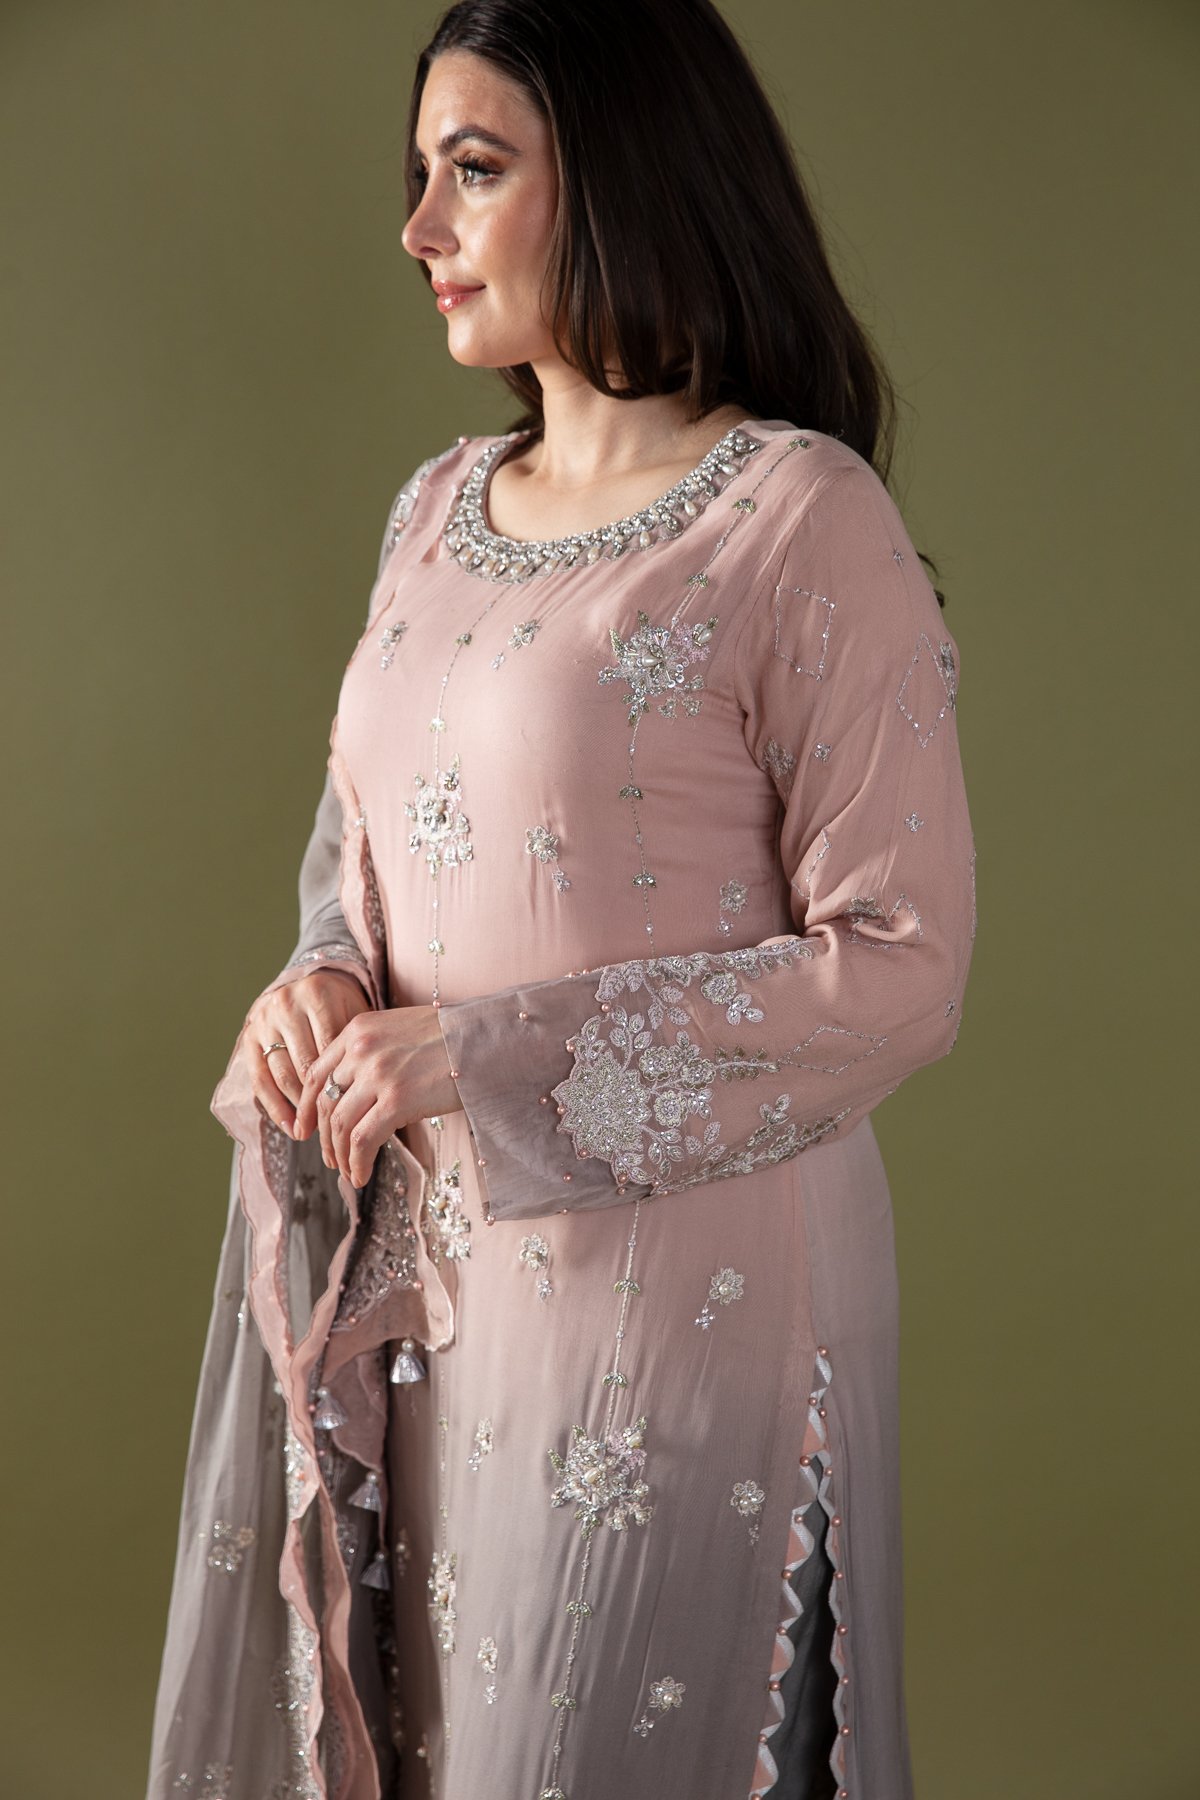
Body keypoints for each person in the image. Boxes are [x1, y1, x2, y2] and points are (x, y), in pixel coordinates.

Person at [146, 3, 977, 1797]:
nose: (419, 229)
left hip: (684, 1321)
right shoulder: (436, 509)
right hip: (436, 1315)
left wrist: (481, 1059)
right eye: (420, 174)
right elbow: (358, 860)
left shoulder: (796, 517)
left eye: (475, 169)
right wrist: (316, 983)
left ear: (619, 171)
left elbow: (900, 970)